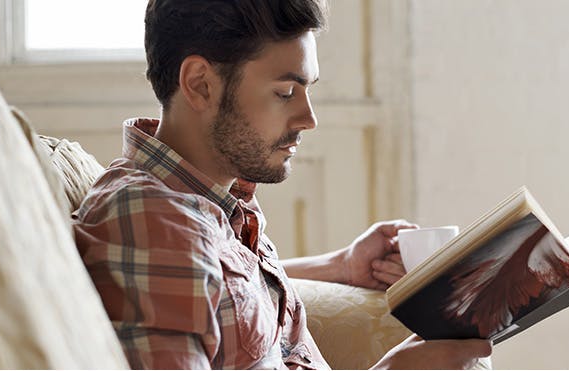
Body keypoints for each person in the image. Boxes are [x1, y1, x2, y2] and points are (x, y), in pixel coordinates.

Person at [72, 0, 491, 369]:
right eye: (286, 92)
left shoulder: (209, 200)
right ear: (200, 84)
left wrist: (341, 266)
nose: (309, 119)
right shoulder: (153, 221)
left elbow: (219, 291)